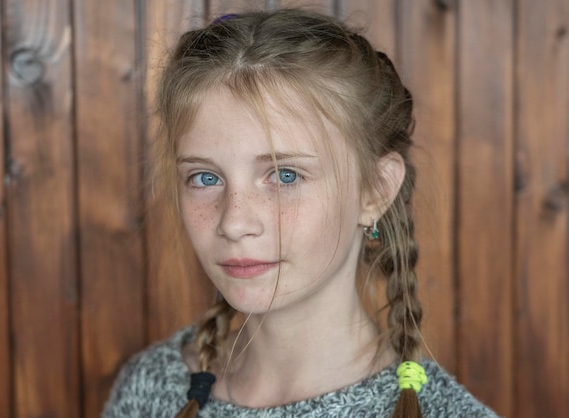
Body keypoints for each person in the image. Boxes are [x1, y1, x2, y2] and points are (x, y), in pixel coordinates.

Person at [102, 9, 499, 418]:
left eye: (285, 174)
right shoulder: (151, 389)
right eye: (205, 178)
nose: (234, 222)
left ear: (375, 190)